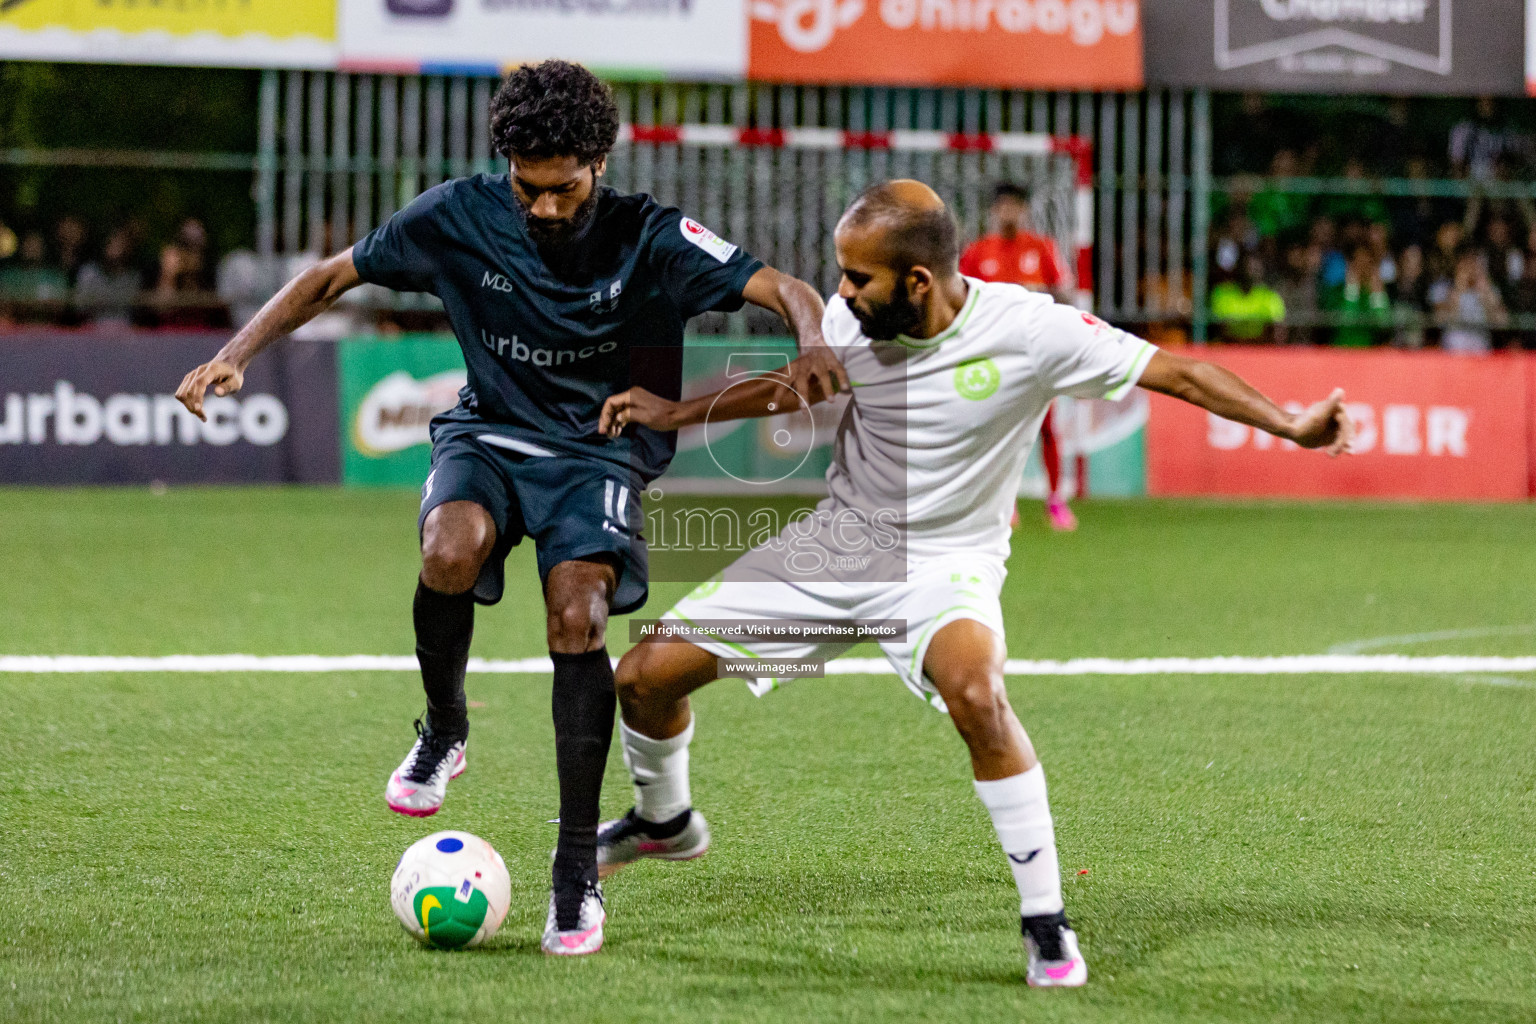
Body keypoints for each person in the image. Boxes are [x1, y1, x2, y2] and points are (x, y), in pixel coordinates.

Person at [594, 180, 1354, 987]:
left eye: (857, 278)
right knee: (642, 679)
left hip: (947, 563)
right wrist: (676, 413)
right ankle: (665, 819)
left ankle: (1046, 921)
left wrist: (1292, 424)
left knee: (977, 693)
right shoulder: (856, 320)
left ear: (917, 281)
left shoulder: (1032, 331)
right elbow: (800, 384)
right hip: (839, 544)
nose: (840, 293)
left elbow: (1182, 374)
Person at [174, 60, 844, 957]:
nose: (546, 209)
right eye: (529, 190)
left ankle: (574, 877)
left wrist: (808, 340)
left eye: (564, 189)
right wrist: (236, 352)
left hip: (597, 450)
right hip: (488, 434)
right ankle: (444, 731)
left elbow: (786, 289)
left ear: (599, 162)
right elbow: (333, 277)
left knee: (578, 614)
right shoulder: (460, 214)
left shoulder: (655, 236)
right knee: (448, 551)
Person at [959, 182, 1077, 531]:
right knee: (997, 428)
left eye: (1014, 206)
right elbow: (959, 300)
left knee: (1047, 427)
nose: (1008, 213)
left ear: (1023, 211)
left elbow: (1066, 295)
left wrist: (1040, 294)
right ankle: (1003, 503)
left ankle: (1055, 501)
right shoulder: (978, 252)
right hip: (993, 353)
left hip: (1034, 352)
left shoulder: (1042, 248)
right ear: (994, 212)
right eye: (1002, 207)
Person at [1437, 248, 1507, 355]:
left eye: (1474, 265)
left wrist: (1486, 294)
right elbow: (1439, 319)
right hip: (1454, 349)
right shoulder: (1444, 287)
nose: (1471, 269)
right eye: (1466, 265)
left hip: (1480, 349)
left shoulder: (1489, 290)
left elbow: (1502, 322)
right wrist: (1458, 288)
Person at [1209, 252, 1285, 344]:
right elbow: (1218, 329)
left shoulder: (1270, 296)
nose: (1249, 273)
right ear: (1238, 269)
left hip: (1259, 349)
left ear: (1260, 271)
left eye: (1254, 269)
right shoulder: (1222, 293)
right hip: (1229, 348)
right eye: (1246, 268)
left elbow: (1278, 331)